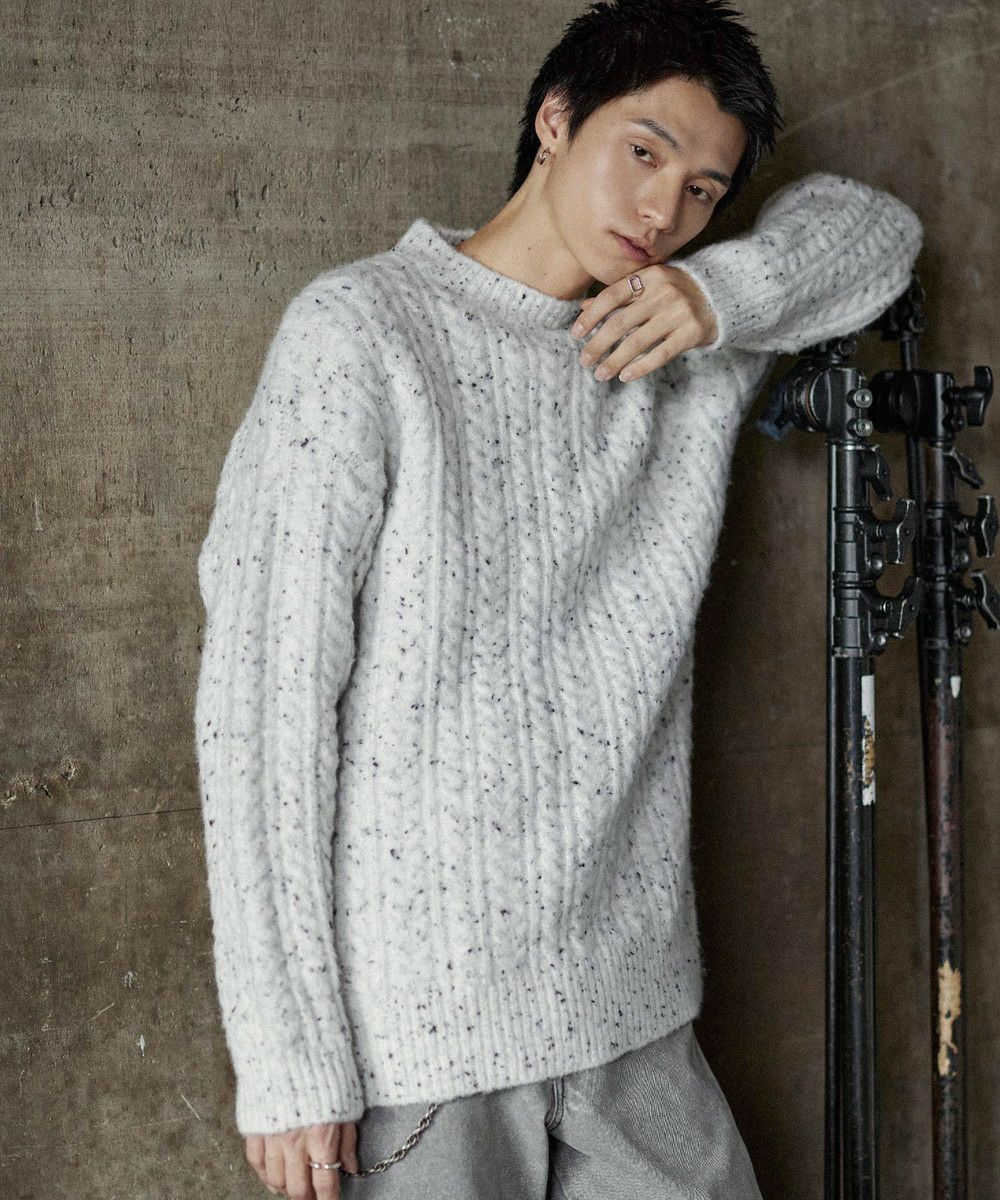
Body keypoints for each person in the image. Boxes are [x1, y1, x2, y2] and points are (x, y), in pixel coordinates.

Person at [193, 1, 924, 1196]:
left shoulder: (677, 342)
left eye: (703, 189)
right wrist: (286, 1059)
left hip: (633, 1015)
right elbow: (259, 713)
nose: (664, 209)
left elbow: (876, 230)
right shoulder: (362, 333)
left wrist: (720, 295)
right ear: (553, 121)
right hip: (423, 1045)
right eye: (642, 151)